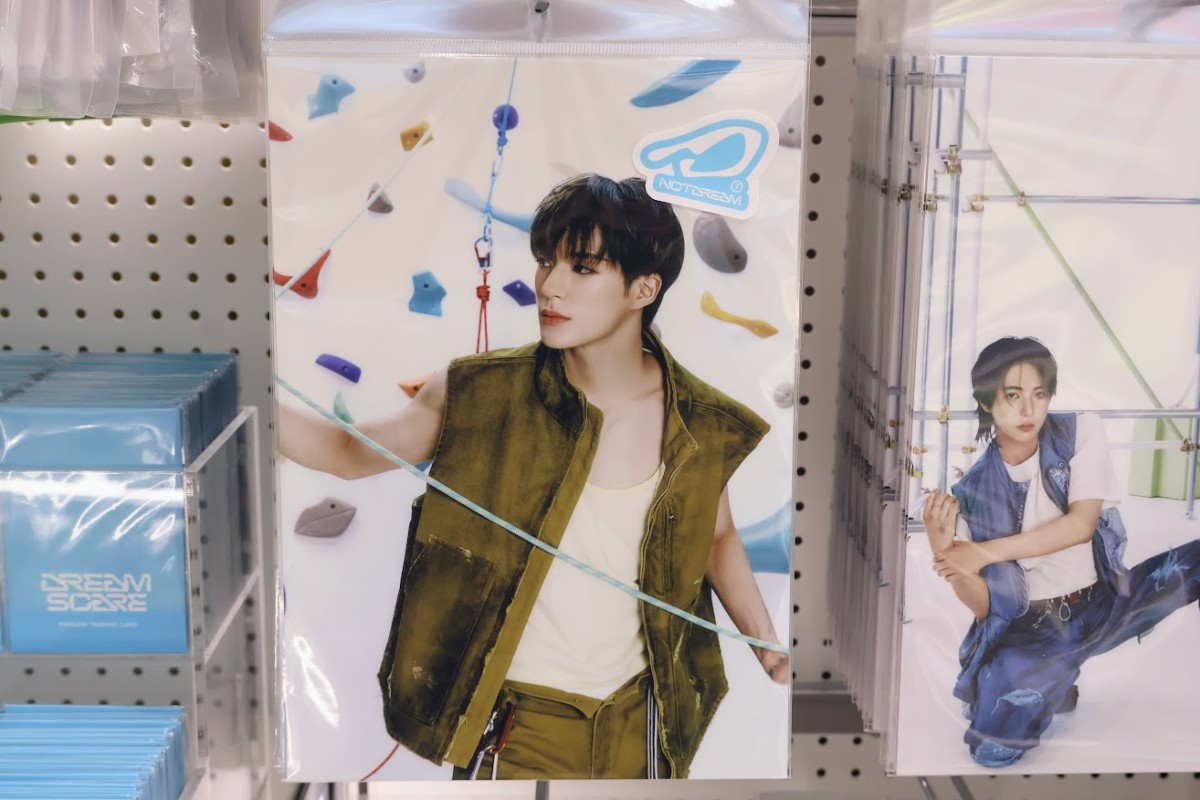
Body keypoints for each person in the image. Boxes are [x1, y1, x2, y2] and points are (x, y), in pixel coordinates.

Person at [278, 174, 787, 780]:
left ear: (644, 288)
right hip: (518, 727)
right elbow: (346, 452)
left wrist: (767, 646)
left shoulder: (698, 419)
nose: (551, 285)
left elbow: (716, 536)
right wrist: (248, 392)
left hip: (645, 718)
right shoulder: (478, 391)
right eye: (547, 261)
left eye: (583, 268)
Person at [924, 336, 1200, 768]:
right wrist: (945, 551)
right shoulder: (971, 492)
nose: (1028, 410)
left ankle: (1053, 679)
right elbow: (984, 608)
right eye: (1012, 396)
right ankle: (1052, 678)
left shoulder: (1078, 431)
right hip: (1036, 631)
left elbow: (1081, 525)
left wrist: (983, 552)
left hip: (1104, 602)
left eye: (1039, 394)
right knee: (992, 751)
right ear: (985, 402)